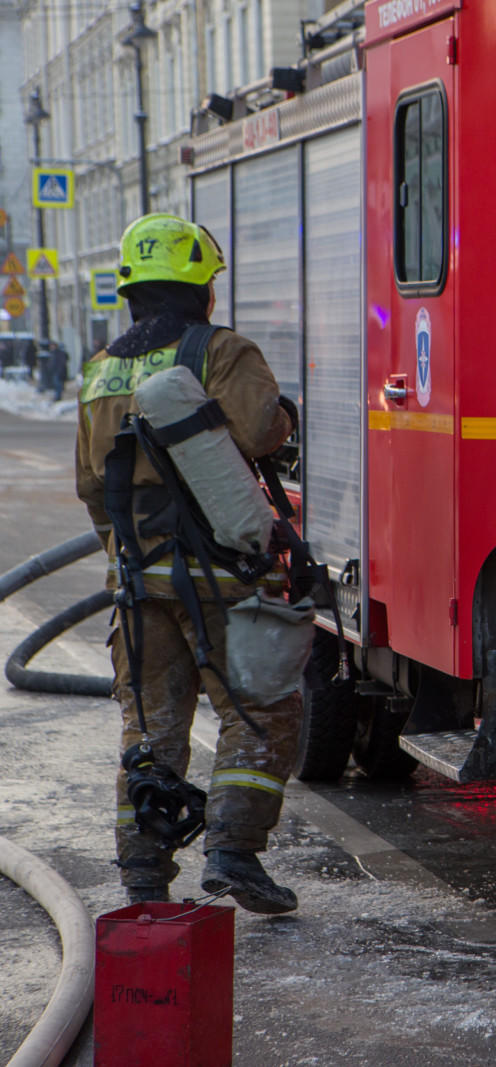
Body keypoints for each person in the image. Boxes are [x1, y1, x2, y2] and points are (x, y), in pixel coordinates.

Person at [76, 213, 303, 913]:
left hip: (139, 587)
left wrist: (126, 563)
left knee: (151, 726)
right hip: (225, 578)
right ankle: (233, 852)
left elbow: (91, 485)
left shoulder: (99, 372)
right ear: (202, 287)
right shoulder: (220, 351)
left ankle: (144, 875)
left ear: (132, 292)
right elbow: (264, 429)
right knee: (261, 710)